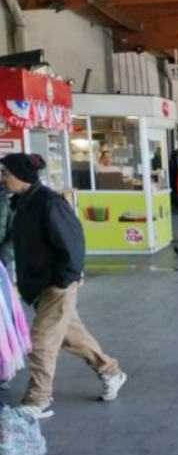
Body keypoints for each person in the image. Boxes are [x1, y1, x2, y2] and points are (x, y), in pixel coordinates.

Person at [1, 153, 127, 419]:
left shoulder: (49, 202)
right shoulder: (21, 203)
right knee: (72, 335)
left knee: (42, 340)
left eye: (5, 173)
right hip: (38, 286)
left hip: (56, 286)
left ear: (22, 175)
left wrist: (64, 280)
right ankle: (111, 371)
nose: (2, 178)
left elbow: (74, 244)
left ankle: (37, 399)